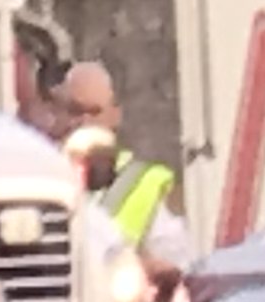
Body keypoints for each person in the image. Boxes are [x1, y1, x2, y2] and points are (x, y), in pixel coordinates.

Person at [54, 58, 188, 289]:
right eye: (74, 111)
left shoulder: (148, 184)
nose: (83, 122)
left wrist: (148, 267)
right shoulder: (40, 179)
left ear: (115, 115)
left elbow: (177, 267)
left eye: (94, 112)